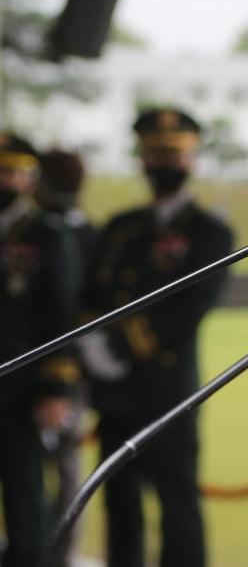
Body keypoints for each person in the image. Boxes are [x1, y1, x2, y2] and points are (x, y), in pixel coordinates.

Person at [82, 108, 232, 567]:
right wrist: (92, 345)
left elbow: (189, 308)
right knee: (120, 506)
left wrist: (124, 347)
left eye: (173, 153)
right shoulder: (121, 226)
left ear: (191, 159)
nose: (162, 163)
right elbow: (93, 293)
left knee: (177, 504)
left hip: (169, 392)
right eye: (154, 153)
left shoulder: (209, 232)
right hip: (116, 394)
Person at [0, 133, 79, 567]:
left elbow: (61, 316)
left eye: (14, 172)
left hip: (21, 392)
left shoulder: (47, 235)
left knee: (26, 509)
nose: (5, 181)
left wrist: (57, 389)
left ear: (30, 180)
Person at [33, 149, 96, 567]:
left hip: (64, 368)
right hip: (71, 366)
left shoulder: (53, 233)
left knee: (60, 465)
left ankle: (52, 553)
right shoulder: (90, 231)